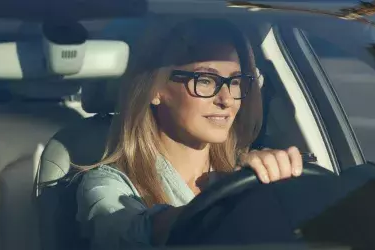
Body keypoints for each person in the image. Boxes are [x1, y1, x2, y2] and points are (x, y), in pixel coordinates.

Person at [76, 19, 304, 249]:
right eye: (205, 80)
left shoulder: (247, 171)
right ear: (155, 89)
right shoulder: (107, 183)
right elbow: (124, 234)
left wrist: (277, 189)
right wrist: (223, 204)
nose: (226, 99)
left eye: (235, 82)